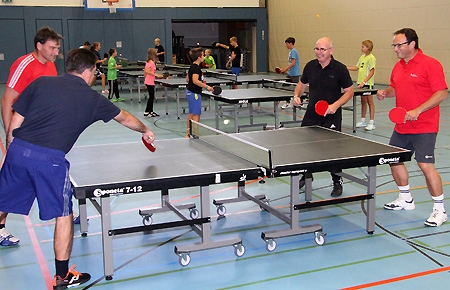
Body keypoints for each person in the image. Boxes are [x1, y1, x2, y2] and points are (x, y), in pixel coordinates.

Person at [0, 48, 155, 289]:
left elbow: (17, 116)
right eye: (95, 71)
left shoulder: (41, 83)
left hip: (18, 150)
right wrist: (145, 130)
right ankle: (62, 277)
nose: (95, 76)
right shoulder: (92, 98)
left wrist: (12, 148)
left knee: (4, 199)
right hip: (49, 159)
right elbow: (124, 117)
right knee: (64, 215)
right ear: (88, 71)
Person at [377, 28, 448, 227]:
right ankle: (406, 198)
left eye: (399, 45)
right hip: (402, 125)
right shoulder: (398, 66)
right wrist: (386, 93)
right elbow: (396, 87)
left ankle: (439, 210)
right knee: (394, 160)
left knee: (425, 166)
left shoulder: (430, 64)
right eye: (394, 45)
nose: (395, 49)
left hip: (424, 125)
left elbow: (441, 92)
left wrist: (417, 110)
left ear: (412, 44)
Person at [0, 26, 63, 247]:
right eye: (53, 48)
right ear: (39, 45)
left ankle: (64, 212)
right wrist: (11, 136)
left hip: (42, 133)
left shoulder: (51, 66)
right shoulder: (24, 64)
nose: (56, 52)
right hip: (22, 133)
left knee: (53, 168)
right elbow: (7, 100)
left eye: (57, 48)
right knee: (11, 184)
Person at [292, 37, 354, 197]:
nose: (319, 52)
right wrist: (296, 96)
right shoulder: (310, 66)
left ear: (331, 51)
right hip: (312, 115)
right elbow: (302, 83)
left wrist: (335, 106)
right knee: (305, 146)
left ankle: (337, 181)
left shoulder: (340, 69)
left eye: (322, 49)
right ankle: (306, 175)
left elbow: (349, 91)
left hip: (331, 117)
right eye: (317, 49)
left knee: (331, 151)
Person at [347, 40, 377, 131]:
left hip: (367, 84)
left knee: (370, 102)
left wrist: (365, 81)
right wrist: (345, 67)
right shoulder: (362, 57)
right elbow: (357, 68)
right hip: (360, 83)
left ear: (368, 48)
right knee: (363, 102)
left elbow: (372, 71)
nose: (361, 48)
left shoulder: (371, 58)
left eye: (363, 46)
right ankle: (363, 120)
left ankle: (371, 122)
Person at [185, 47, 214, 137]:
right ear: (199, 57)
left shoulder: (192, 66)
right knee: (196, 114)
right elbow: (194, 80)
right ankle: (195, 133)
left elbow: (187, 79)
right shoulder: (196, 68)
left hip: (189, 92)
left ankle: (189, 132)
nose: (204, 56)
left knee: (191, 113)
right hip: (194, 94)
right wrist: (206, 86)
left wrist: (200, 82)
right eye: (203, 55)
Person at [280, 37, 301, 109]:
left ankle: (299, 102)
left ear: (290, 43)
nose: (286, 45)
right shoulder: (291, 51)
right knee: (285, 87)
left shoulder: (294, 51)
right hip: (290, 73)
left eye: (287, 44)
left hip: (294, 73)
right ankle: (288, 102)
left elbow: (293, 63)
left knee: (297, 89)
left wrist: (285, 69)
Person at [144, 48, 163, 117]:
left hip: (148, 81)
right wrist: (156, 75)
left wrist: (145, 80)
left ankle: (149, 111)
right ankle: (147, 111)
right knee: (151, 97)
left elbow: (145, 72)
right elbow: (148, 71)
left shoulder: (148, 62)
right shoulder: (151, 63)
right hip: (150, 82)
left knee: (151, 97)